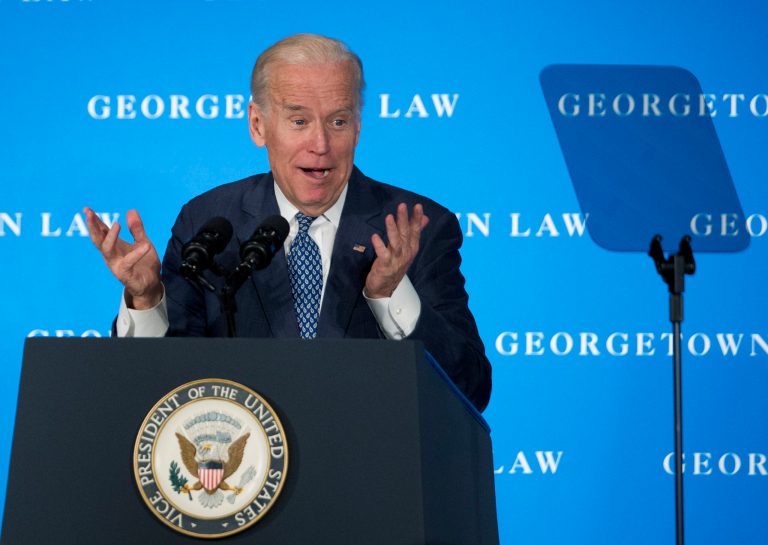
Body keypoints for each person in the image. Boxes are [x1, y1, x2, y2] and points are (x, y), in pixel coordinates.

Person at [85, 34, 491, 411]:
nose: (321, 145)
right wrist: (146, 299)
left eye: (338, 121)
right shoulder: (209, 223)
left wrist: (389, 293)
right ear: (258, 125)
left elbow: (470, 388)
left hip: (371, 470)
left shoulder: (416, 227)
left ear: (358, 125)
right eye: (299, 121)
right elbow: (158, 385)